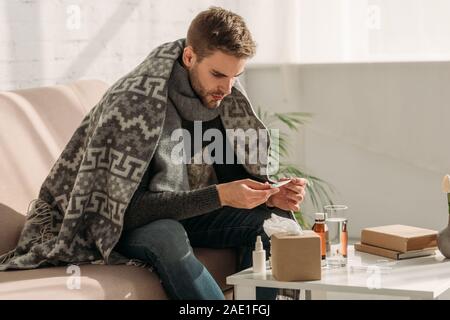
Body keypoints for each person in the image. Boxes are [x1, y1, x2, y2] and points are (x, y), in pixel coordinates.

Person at [113, 7, 308, 300]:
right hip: (137, 223)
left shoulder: (221, 101)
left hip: (195, 214)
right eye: (218, 74)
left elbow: (233, 176)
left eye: (235, 76)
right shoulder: (138, 106)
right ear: (189, 57)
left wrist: (269, 194)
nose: (227, 89)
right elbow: (128, 209)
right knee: (167, 234)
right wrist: (220, 195)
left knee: (273, 221)